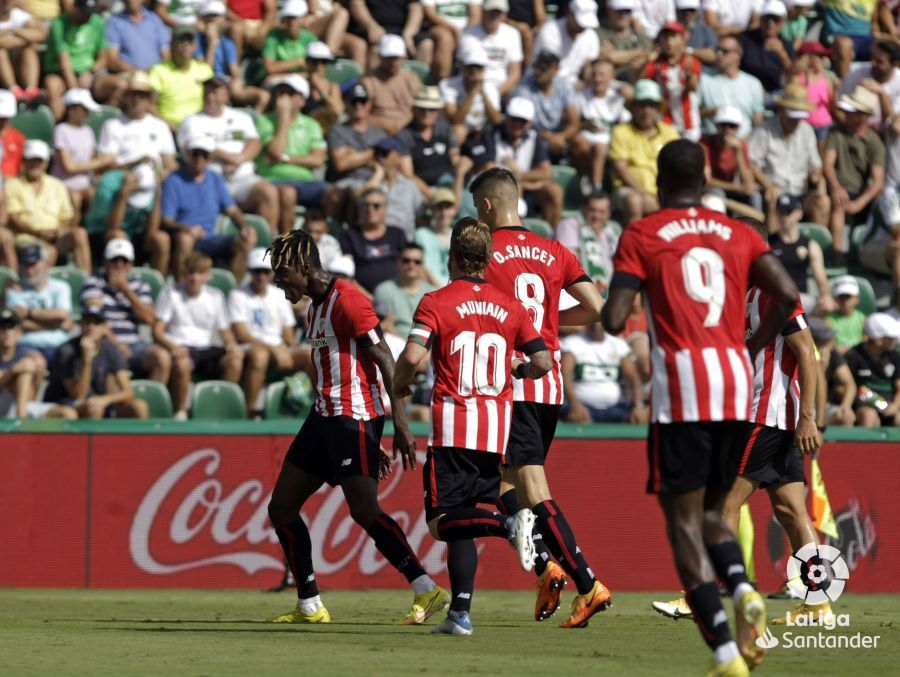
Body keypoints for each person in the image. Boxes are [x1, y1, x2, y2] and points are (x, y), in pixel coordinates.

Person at [600, 139, 799, 674]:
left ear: (660, 184)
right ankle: (742, 589)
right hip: (737, 383)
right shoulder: (740, 233)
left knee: (682, 523)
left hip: (683, 390)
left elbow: (616, 318)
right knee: (714, 513)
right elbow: (786, 290)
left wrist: (628, 291)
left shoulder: (643, 233)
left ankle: (726, 651)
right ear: (706, 178)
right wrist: (754, 345)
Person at [264, 228, 449, 625]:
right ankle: (310, 604)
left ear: (302, 266)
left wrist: (395, 424)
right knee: (281, 508)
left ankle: (426, 589)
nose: (279, 283)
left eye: (282, 275)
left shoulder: (348, 301)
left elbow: (386, 359)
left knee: (364, 510)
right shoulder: (314, 307)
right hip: (323, 418)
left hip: (354, 418)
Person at [654, 215, 828, 627]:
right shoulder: (746, 292)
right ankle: (818, 603)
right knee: (791, 511)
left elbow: (807, 351)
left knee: (721, 504)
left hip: (768, 416)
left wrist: (810, 418)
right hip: (771, 417)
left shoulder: (771, 291)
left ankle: (705, 594)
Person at [392, 216, 551, 635]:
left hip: (454, 426)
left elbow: (411, 357)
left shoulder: (437, 301)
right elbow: (543, 361)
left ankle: (509, 524)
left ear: (452, 257)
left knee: (440, 520)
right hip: (495, 429)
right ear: (487, 258)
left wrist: (399, 383)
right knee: (463, 517)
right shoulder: (510, 306)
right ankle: (460, 613)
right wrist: (515, 369)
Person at [472, 166, 612, 628]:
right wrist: (549, 322)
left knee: (532, 489)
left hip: (514, 382)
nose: (478, 215)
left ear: (488, 206)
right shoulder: (555, 250)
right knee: (503, 485)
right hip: (548, 384)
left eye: (478, 208)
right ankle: (544, 566)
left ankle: (587, 582)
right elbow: (597, 308)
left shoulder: (487, 251)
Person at [86, 71, 178, 269]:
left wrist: (161, 175)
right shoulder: (112, 125)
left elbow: (170, 162)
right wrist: (135, 163)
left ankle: (157, 289)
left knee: (161, 239)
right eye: (134, 94)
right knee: (116, 231)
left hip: (153, 188)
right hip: (121, 185)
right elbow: (105, 164)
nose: (137, 99)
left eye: (143, 95)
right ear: (126, 97)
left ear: (149, 100)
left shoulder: (160, 126)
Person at [178, 76, 287, 235]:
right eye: (207, 92)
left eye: (215, 92)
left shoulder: (241, 118)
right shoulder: (192, 121)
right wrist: (226, 155)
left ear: (227, 95)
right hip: (207, 180)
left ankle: (267, 247)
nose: (210, 96)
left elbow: (254, 143)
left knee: (268, 192)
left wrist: (239, 160)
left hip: (242, 178)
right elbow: (194, 154)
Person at [153, 252, 244, 419]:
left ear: (207, 275)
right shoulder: (170, 293)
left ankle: (221, 409)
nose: (194, 277)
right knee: (183, 363)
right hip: (181, 347)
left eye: (200, 273)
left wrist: (232, 345)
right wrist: (172, 347)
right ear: (184, 273)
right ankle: (180, 411)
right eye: (191, 272)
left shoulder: (216, 296)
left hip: (207, 349)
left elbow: (225, 331)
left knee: (235, 360)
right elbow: (157, 330)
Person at [162, 134, 257, 282]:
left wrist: (244, 226)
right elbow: (167, 220)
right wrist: (187, 229)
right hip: (185, 237)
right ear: (188, 154)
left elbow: (232, 209)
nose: (199, 158)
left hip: (210, 239)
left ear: (209, 158)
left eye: (204, 155)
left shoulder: (215, 178)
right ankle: (181, 288)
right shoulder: (173, 180)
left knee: (246, 240)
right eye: (196, 154)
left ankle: (233, 291)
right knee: (185, 240)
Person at [82, 238, 172, 385]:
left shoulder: (140, 285)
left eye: (124, 261)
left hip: (134, 344)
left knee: (162, 357)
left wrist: (126, 290)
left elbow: (149, 318)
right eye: (114, 260)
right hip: (104, 343)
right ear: (105, 262)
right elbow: (94, 320)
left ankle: (151, 401)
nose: (119, 265)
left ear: (131, 264)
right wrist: (116, 343)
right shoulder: (93, 284)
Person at [463, 97, 563, 227]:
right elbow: (489, 169)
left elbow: (546, 172)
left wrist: (519, 175)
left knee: (555, 191)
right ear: (506, 118)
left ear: (530, 123)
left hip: (525, 187)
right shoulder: (491, 133)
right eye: (514, 119)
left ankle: (553, 237)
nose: (517, 124)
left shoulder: (534, 137)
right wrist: (519, 179)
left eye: (522, 121)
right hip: (499, 189)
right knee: (514, 186)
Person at [256, 74, 342, 222]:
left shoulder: (312, 125)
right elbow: (276, 150)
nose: (283, 97)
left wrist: (285, 158)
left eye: (290, 93)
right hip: (273, 179)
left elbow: (318, 160)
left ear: (302, 100)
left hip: (305, 181)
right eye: (281, 92)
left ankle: (329, 237)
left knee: (337, 194)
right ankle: (285, 243)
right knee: (288, 193)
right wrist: (283, 117)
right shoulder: (264, 121)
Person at [229, 247, 305, 416]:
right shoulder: (238, 295)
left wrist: (286, 347)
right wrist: (274, 349)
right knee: (260, 356)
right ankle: (249, 411)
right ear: (250, 272)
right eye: (257, 272)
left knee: (311, 355)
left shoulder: (278, 295)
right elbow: (241, 335)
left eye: (265, 271)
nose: (261, 276)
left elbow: (288, 331)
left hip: (277, 346)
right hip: (250, 346)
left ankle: (319, 411)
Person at [44, 306, 149, 420]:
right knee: (94, 408)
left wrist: (105, 399)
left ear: (105, 328)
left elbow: (128, 391)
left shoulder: (111, 349)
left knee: (139, 406)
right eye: (87, 322)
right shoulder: (66, 351)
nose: (91, 327)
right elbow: (78, 396)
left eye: (96, 323)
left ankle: (140, 438)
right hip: (66, 404)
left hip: (98, 402)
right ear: (81, 325)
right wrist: (87, 361)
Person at [749, 82, 829, 231]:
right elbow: (752, 165)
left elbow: (815, 164)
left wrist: (818, 179)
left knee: (822, 201)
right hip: (775, 191)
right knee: (772, 199)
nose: (795, 120)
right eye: (792, 115)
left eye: (799, 116)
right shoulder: (764, 131)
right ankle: (776, 248)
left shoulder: (807, 131)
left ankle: (819, 249)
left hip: (800, 192)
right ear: (781, 109)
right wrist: (769, 186)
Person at [5, 140, 91, 273]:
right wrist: (38, 233)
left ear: (46, 163)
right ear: (24, 161)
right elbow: (13, 218)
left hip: (55, 236)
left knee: (80, 233)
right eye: (31, 160)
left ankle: (86, 282)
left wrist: (60, 229)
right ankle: (41, 289)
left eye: (39, 161)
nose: (35, 164)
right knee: (48, 251)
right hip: (27, 238)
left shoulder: (57, 185)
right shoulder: (12, 185)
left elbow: (67, 216)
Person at [824, 85, 886, 263]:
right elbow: (828, 164)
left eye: (852, 111)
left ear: (863, 116)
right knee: (838, 202)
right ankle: (837, 255)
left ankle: (857, 256)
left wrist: (860, 202)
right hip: (840, 190)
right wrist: (836, 187)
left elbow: (878, 182)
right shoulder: (836, 133)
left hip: (861, 195)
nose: (846, 114)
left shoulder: (874, 142)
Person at [609, 79, 681, 224]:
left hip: (662, 192)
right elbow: (620, 168)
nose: (646, 110)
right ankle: (631, 246)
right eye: (642, 105)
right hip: (630, 189)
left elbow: (678, 165)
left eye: (651, 106)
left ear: (657, 109)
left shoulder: (669, 132)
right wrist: (643, 192)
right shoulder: (620, 131)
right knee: (633, 201)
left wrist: (664, 194)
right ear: (633, 108)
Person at [42, 0, 118, 121]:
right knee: (52, 86)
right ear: (75, 7)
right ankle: (62, 126)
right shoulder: (59, 24)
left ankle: (104, 125)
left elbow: (104, 58)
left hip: (90, 74)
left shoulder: (97, 21)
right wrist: (76, 91)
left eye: (89, 13)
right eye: (83, 12)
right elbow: (64, 62)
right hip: (61, 74)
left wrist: (90, 73)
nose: (87, 16)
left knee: (118, 85)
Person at [560, 321, 647, 424]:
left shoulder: (618, 344)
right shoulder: (572, 343)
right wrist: (575, 404)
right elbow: (565, 377)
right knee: (577, 418)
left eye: (600, 321)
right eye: (593, 320)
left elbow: (633, 379)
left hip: (615, 408)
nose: (596, 324)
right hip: (582, 408)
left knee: (636, 419)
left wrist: (638, 406)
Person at [194, 0, 270, 112]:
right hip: (206, 84)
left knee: (263, 96)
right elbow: (205, 71)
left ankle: (252, 123)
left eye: (215, 16)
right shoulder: (197, 42)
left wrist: (236, 80)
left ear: (223, 19)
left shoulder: (227, 42)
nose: (212, 21)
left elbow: (234, 68)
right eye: (208, 17)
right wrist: (211, 43)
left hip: (224, 83)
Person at [4, 243, 72, 364]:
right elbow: (19, 324)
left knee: (72, 359)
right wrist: (56, 325)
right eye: (25, 264)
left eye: (33, 264)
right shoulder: (14, 289)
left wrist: (28, 312)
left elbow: (62, 315)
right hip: (26, 345)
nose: (29, 269)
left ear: (46, 264)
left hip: (59, 345)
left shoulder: (61, 287)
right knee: (35, 362)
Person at [568, 59, 631, 190]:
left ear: (611, 78)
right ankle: (587, 177)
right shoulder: (581, 96)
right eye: (594, 74)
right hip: (586, 137)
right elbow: (571, 122)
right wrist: (585, 126)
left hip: (607, 140)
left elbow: (626, 122)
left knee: (600, 148)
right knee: (579, 142)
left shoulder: (616, 98)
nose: (597, 79)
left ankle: (596, 187)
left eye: (602, 75)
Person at [51, 89, 110, 228]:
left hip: (85, 183)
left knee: (96, 196)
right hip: (63, 183)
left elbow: (91, 160)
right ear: (71, 110)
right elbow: (68, 167)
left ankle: (93, 235)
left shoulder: (88, 131)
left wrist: (99, 166)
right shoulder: (61, 130)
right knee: (75, 200)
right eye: (84, 109)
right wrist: (100, 162)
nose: (87, 113)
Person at [0, 308, 74, 419]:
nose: (7, 332)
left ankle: (22, 419)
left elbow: (33, 392)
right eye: (2, 328)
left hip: (24, 405)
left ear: (18, 332)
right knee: (25, 369)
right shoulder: (27, 356)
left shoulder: (27, 354)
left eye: (11, 327)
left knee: (68, 414)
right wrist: (13, 371)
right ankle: (22, 420)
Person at [769, 194, 835, 313]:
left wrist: (826, 296)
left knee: (823, 308)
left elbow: (821, 278)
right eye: (781, 212)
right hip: (774, 298)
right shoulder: (768, 244)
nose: (784, 216)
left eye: (788, 212)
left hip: (800, 298)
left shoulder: (810, 245)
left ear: (799, 214)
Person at [512, 49, 580, 163]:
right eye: (535, 66)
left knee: (580, 143)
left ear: (555, 70)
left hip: (556, 135)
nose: (538, 71)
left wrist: (561, 137)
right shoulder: (523, 88)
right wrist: (549, 137)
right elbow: (522, 124)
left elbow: (574, 123)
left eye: (543, 68)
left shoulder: (564, 85)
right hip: (531, 135)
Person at [397, 86, 460, 200]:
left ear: (437, 112)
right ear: (414, 109)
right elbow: (408, 174)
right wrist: (432, 196)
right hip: (420, 190)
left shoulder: (445, 130)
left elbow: (455, 160)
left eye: (432, 109)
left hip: (447, 184)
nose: (427, 113)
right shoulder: (404, 135)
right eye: (422, 108)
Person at [340, 187, 408, 293]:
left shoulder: (397, 234)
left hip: (396, 295)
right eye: (366, 205)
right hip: (360, 295)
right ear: (360, 209)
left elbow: (410, 265)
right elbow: (346, 274)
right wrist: (368, 298)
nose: (370, 209)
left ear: (385, 209)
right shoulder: (350, 235)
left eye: (376, 206)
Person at [642, 21, 701, 142]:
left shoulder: (690, 61)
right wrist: (646, 61)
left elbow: (693, 87)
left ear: (682, 39)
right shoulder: (656, 63)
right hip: (665, 119)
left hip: (688, 120)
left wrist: (689, 73)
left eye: (673, 37)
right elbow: (639, 79)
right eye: (665, 37)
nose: (669, 42)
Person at [697, 36, 765, 139]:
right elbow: (691, 115)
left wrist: (746, 143)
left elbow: (758, 122)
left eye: (724, 51)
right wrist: (710, 111)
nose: (719, 55)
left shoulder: (754, 84)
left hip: (744, 142)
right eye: (717, 50)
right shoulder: (703, 80)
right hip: (713, 143)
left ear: (738, 54)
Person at [554, 191, 621, 294]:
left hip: (609, 291)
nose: (596, 216)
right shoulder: (569, 225)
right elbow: (568, 263)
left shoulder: (610, 233)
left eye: (601, 212)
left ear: (609, 213)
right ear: (584, 209)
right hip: (577, 291)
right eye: (592, 210)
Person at [148, 25, 215, 130]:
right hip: (168, 129)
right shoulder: (159, 70)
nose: (186, 45)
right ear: (171, 46)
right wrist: (171, 127)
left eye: (189, 41)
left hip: (201, 127)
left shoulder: (204, 70)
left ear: (195, 46)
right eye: (181, 41)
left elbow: (214, 101)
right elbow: (150, 106)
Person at [362, 136, 425, 240]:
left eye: (384, 153)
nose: (379, 158)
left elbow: (420, 216)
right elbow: (360, 198)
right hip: (374, 240)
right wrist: (378, 174)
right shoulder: (370, 182)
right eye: (376, 154)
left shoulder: (410, 186)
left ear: (397, 157)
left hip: (403, 242)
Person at [700, 105, 760, 213]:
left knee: (755, 196)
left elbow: (747, 181)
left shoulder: (741, 145)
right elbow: (706, 180)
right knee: (717, 195)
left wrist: (738, 153)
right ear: (717, 126)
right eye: (723, 125)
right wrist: (738, 188)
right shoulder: (704, 144)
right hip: (711, 189)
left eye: (732, 126)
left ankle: (756, 228)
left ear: (738, 128)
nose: (727, 129)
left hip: (730, 188)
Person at [440, 42, 502, 145]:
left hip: (477, 134)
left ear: (484, 70)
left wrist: (483, 93)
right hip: (451, 134)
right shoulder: (447, 85)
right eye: (471, 67)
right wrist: (472, 94)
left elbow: (496, 120)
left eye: (478, 67)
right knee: (459, 131)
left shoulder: (491, 88)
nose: (474, 71)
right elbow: (455, 120)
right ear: (463, 67)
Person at [459, 0, 524, 98]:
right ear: (483, 11)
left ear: (505, 14)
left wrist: (495, 94)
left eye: (499, 12)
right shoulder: (468, 35)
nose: (495, 16)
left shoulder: (513, 34)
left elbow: (515, 73)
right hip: (474, 86)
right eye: (491, 11)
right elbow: (465, 71)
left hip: (502, 87)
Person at [845, 312, 900, 427]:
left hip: (891, 404)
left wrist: (894, 407)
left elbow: (899, 386)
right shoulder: (853, 356)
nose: (895, 341)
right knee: (868, 416)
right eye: (891, 338)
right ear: (878, 340)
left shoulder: (895, 356)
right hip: (863, 405)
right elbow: (844, 387)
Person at [529, 0, 600, 85]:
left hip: (574, 85)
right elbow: (548, 71)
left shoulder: (591, 35)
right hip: (540, 84)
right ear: (570, 14)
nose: (583, 27)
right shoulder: (550, 31)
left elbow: (587, 69)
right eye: (580, 22)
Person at [373, 243, 435, 339]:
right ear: (397, 262)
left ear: (423, 265)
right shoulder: (383, 290)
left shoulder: (433, 293)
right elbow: (385, 325)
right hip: (395, 344)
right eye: (406, 261)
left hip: (426, 346)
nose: (411, 265)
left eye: (417, 262)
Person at [737, 0, 795, 95]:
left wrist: (782, 54)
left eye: (775, 19)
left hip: (774, 91)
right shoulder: (745, 38)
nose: (770, 23)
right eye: (767, 18)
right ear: (760, 20)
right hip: (746, 90)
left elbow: (793, 73)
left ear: (783, 22)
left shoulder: (786, 45)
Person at [809, 315, 857, 427]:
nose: (831, 341)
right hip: (803, 406)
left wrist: (845, 406)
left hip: (824, 406)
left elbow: (850, 384)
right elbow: (808, 390)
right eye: (826, 339)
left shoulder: (832, 354)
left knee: (846, 417)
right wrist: (821, 368)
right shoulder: (802, 356)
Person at [421, 0, 482, 82]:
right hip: (440, 27)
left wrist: (466, 33)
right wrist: (454, 30)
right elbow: (431, 14)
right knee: (445, 38)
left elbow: (475, 16)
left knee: (471, 39)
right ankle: (443, 82)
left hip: (467, 29)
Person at [106, 0, 171, 75]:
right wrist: (139, 72)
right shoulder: (114, 22)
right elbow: (112, 59)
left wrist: (157, 71)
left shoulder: (154, 19)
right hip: (130, 76)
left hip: (157, 75)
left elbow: (166, 54)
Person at [0, 0, 46, 102]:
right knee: (1, 52)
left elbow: (40, 35)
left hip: (18, 64)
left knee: (29, 49)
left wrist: (12, 30)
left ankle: (31, 91)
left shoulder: (18, 15)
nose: (6, 2)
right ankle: (14, 90)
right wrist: (25, 38)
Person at [598, 0, 654, 83]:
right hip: (611, 83)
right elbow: (611, 56)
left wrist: (619, 57)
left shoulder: (641, 36)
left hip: (637, 81)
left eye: (627, 11)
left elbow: (648, 55)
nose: (623, 15)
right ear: (609, 10)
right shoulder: (600, 33)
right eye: (619, 11)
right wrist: (637, 52)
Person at [261, 0, 316, 79]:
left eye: (295, 18)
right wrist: (298, 62)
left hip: (299, 80)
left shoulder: (311, 39)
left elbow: (314, 70)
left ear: (303, 19)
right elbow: (269, 67)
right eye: (288, 18)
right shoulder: (272, 36)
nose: (291, 22)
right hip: (280, 80)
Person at [415, 187, 455, 287]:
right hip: (431, 290)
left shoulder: (459, 236)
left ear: (454, 210)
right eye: (439, 208)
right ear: (432, 210)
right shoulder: (421, 235)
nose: (444, 213)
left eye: (447, 207)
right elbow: (421, 269)